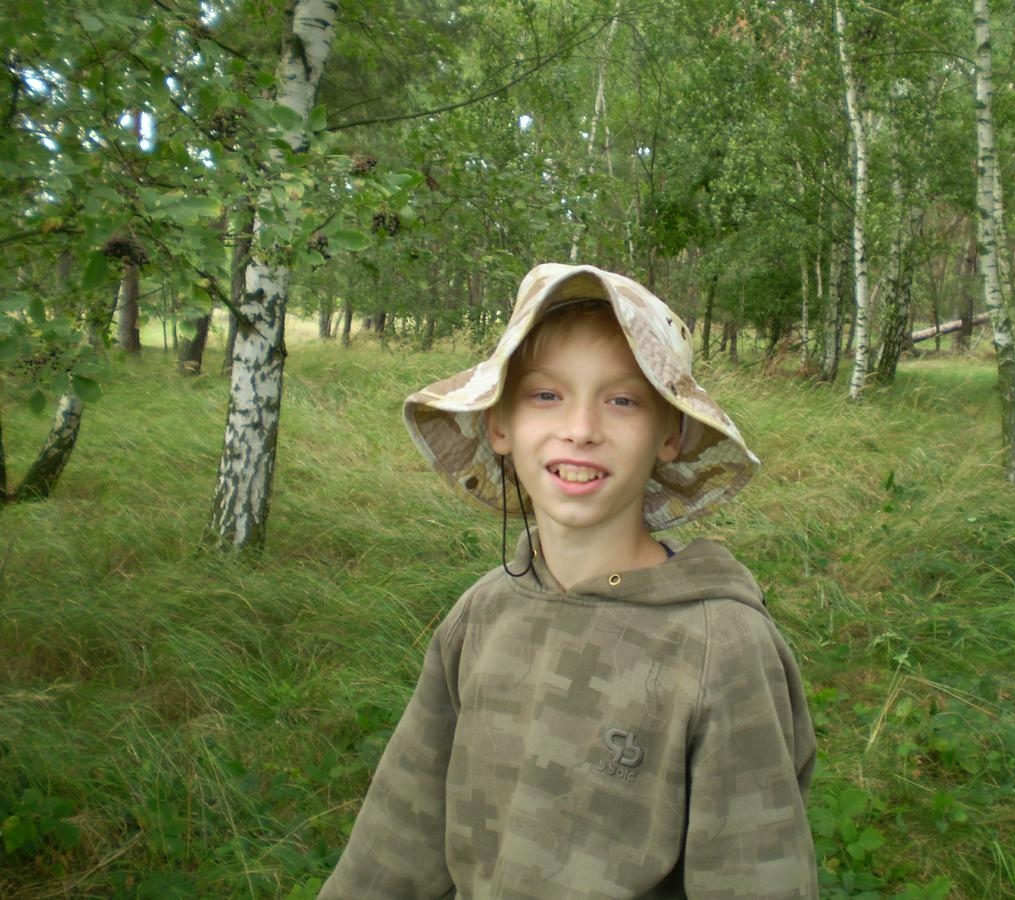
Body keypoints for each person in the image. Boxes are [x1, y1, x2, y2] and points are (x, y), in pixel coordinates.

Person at [319, 263, 818, 898]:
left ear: (670, 434)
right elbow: (399, 831)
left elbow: (757, 873)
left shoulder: (722, 646)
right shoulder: (482, 614)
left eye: (623, 400)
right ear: (500, 425)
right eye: (546, 395)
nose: (581, 430)